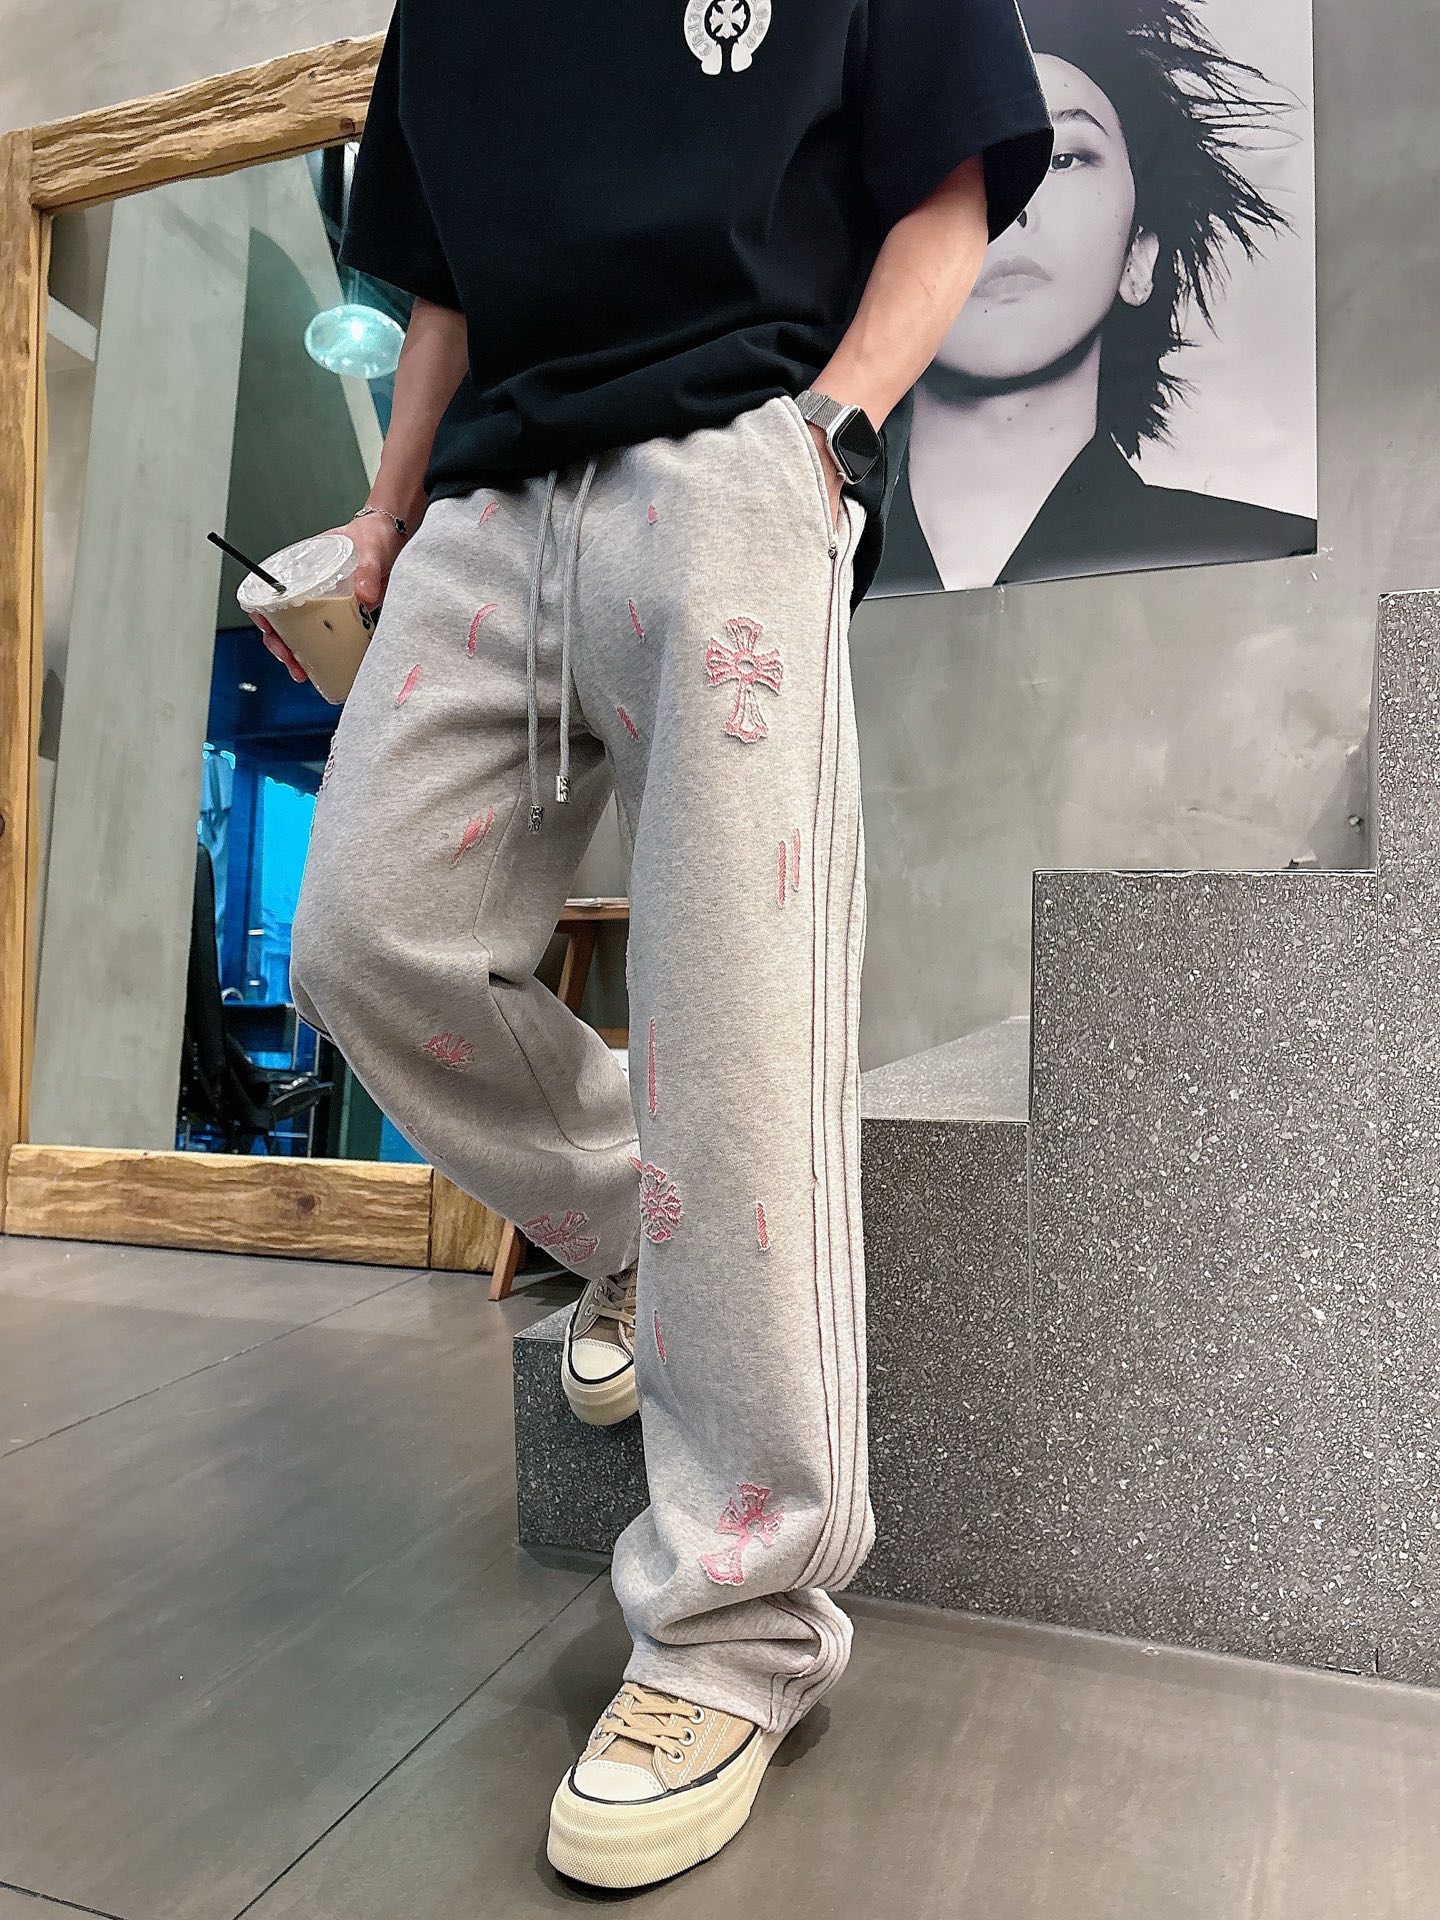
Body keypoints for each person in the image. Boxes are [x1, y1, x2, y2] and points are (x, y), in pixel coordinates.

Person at [252, 0, 1052, 1890]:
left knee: (740, 1029)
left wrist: (832, 438)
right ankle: (636, 1221)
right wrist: (384, 511)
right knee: (365, 935)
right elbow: (445, 293)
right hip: (484, 505)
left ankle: (734, 1630)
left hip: (731, 468)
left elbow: (948, 184)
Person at [877, 0, 1317, 594]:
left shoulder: (1273, 561)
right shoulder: (790, 580)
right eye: (949, 165)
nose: (1013, 207)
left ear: (1139, 258)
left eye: (1063, 159)